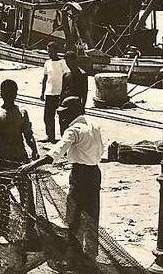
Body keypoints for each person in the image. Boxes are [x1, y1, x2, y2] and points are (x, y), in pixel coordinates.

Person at [21, 97, 105, 262]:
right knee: (92, 214)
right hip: (95, 172)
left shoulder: (73, 130)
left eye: (64, 114)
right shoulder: (94, 124)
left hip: (80, 174)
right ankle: (91, 255)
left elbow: (55, 153)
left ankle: (74, 256)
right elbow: (101, 150)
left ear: (73, 112)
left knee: (73, 215)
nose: (62, 118)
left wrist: (31, 166)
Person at [0, 79, 40, 246]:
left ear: (16, 94)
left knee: (27, 198)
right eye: (7, 93)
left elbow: (28, 135)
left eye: (12, 93)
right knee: (2, 199)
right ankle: (3, 232)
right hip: (2, 162)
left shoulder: (22, 113)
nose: (10, 96)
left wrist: (34, 149)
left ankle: (30, 231)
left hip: (21, 162)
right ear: (2, 94)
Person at [40, 43, 68, 142]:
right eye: (48, 51)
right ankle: (50, 136)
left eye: (51, 51)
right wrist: (42, 92)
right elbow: (45, 78)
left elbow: (67, 77)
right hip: (49, 93)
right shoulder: (47, 63)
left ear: (56, 51)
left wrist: (65, 92)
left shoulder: (62, 62)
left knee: (62, 117)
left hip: (59, 93)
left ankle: (63, 138)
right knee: (48, 116)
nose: (50, 53)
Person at [59, 51, 89, 132]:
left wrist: (83, 106)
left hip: (76, 105)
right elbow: (63, 90)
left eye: (70, 61)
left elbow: (85, 92)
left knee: (75, 127)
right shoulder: (66, 74)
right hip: (65, 104)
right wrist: (60, 104)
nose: (69, 64)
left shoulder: (83, 74)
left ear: (75, 60)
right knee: (63, 125)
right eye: (67, 62)